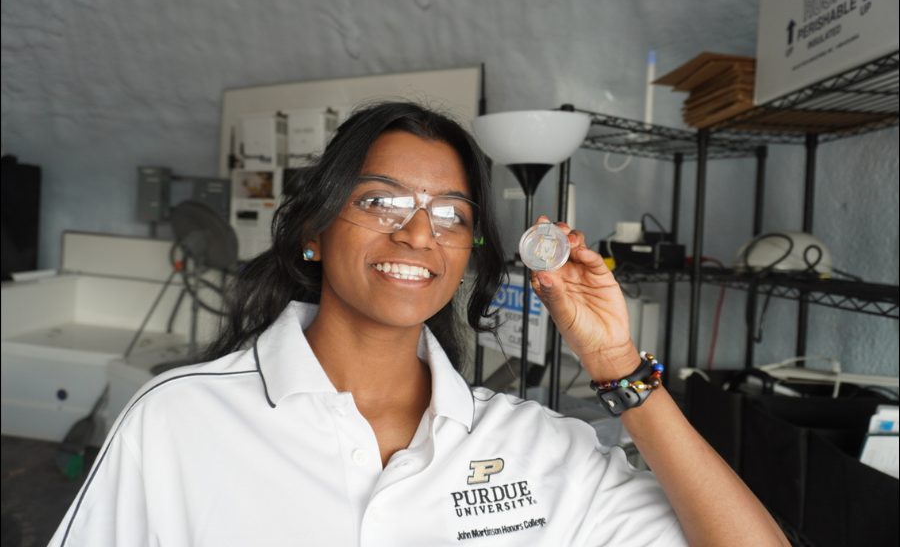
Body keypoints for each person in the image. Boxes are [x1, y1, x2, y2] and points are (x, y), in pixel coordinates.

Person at [49, 101, 788, 546]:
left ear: (466, 250)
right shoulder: (180, 419)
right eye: (380, 202)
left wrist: (618, 366)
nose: (417, 235)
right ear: (313, 229)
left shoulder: (535, 450)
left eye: (451, 215)